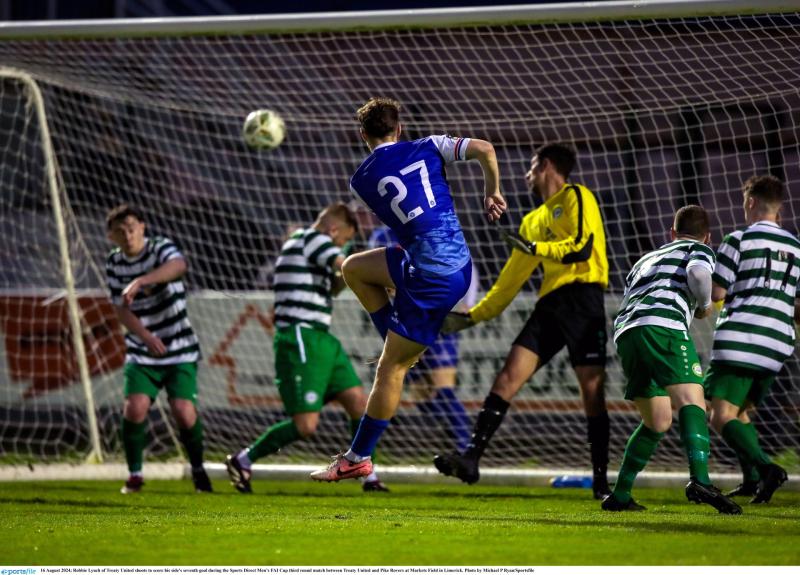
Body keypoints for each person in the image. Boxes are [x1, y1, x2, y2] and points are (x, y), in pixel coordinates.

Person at [310, 96, 506, 482]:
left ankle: (358, 457)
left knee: (390, 369)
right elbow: (485, 148)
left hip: (430, 277)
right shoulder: (429, 145)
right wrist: (492, 191)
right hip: (452, 266)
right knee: (354, 268)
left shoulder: (361, 180)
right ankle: (395, 341)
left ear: (362, 134)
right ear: (399, 128)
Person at [434, 143, 612, 499]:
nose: (527, 175)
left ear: (545, 165)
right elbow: (507, 283)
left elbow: (581, 246)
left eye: (531, 167)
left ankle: (603, 483)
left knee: (592, 391)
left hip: (584, 298)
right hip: (551, 305)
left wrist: (538, 250)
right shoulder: (531, 221)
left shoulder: (577, 196)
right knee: (507, 376)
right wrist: (471, 316)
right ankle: (471, 458)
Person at [225, 203, 389, 493]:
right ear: (334, 230)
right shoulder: (311, 238)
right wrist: (382, 277)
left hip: (321, 338)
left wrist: (353, 277)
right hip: (301, 336)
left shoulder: (306, 245)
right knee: (305, 426)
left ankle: (369, 476)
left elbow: (337, 283)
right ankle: (243, 459)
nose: (342, 247)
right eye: (343, 241)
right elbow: (344, 266)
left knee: (356, 401)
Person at [601, 205, 740, 513]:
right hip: (662, 327)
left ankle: (620, 494)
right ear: (707, 236)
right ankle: (700, 480)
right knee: (693, 397)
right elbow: (698, 273)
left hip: (626, 332)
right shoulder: (698, 249)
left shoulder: (646, 259)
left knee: (657, 420)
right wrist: (704, 304)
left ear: (671, 233)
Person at [706, 175, 800, 504]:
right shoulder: (795, 247)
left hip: (741, 339)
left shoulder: (738, 240)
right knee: (741, 411)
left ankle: (765, 469)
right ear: (780, 209)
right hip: (777, 346)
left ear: (749, 202)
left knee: (719, 415)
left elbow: (717, 292)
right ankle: (750, 481)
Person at [105, 204, 211, 494]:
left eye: (131, 227)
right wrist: (145, 336)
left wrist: (142, 280)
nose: (127, 235)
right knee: (135, 408)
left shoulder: (160, 249)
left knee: (183, 411)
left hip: (180, 345)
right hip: (143, 349)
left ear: (142, 226)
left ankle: (199, 470)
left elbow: (179, 266)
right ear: (111, 236)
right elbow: (120, 309)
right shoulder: (114, 263)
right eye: (119, 231)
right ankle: (135, 475)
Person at [368, 225, 478, 451]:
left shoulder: (427, 223)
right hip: (408, 316)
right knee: (420, 394)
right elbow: (377, 275)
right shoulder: (380, 236)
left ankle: (465, 446)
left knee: (442, 386)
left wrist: (469, 302)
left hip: (438, 311)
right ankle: (455, 433)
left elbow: (465, 262)